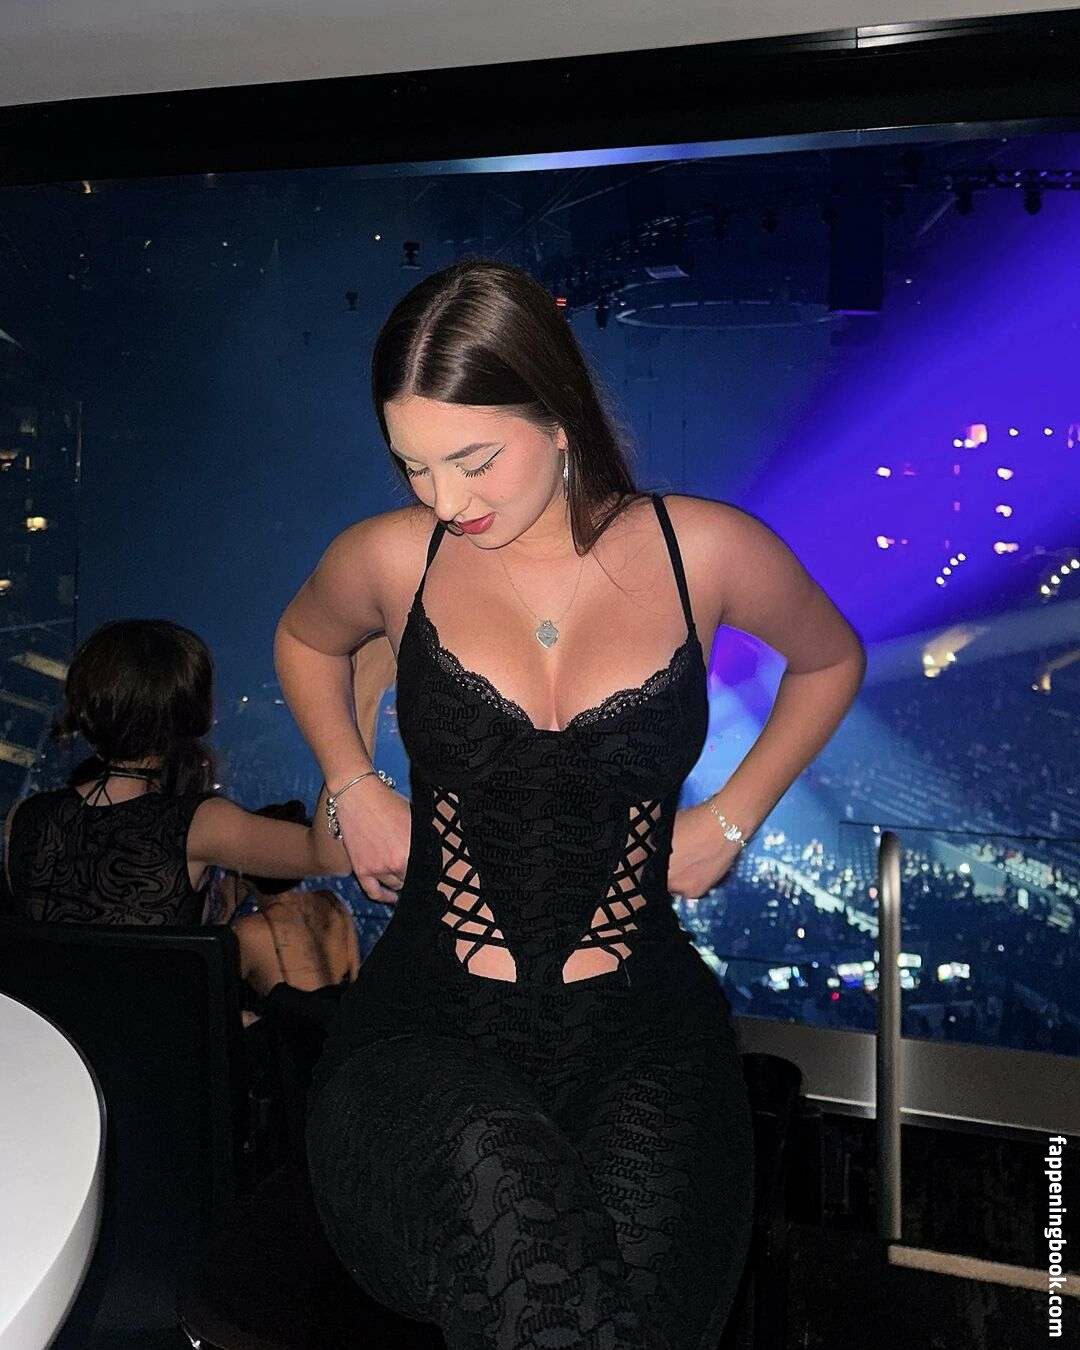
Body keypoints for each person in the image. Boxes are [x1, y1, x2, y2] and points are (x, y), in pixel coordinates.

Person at [275, 259, 866, 1349]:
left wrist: (733, 817)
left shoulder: (706, 549)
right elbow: (305, 641)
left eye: (473, 460)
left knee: (626, 1313)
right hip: (424, 1035)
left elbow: (830, 659)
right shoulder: (390, 558)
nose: (446, 501)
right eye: (413, 466)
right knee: (516, 1220)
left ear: (558, 419)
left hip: (642, 1034)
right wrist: (353, 782)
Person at [1, 619, 351, 926]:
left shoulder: (24, 817)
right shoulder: (202, 825)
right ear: (188, 714)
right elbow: (330, 856)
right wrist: (353, 704)